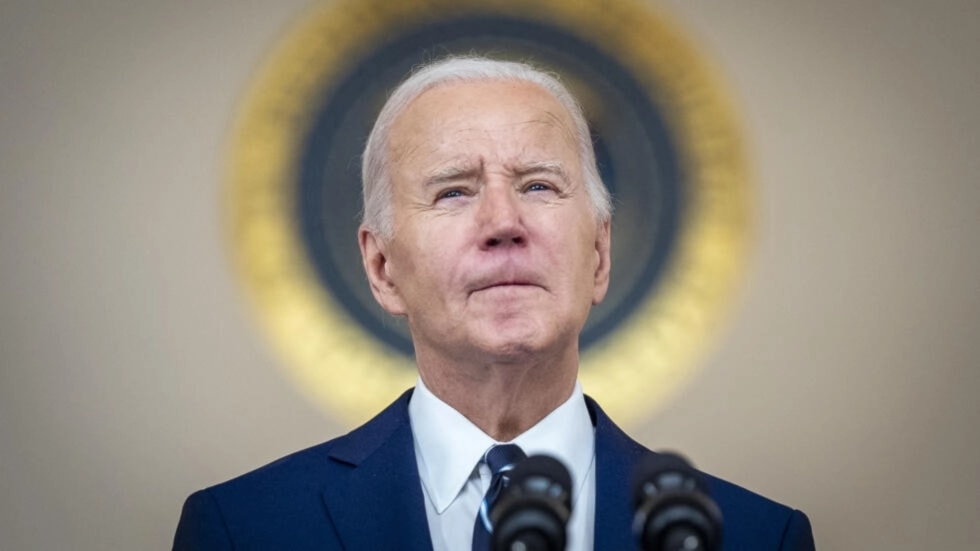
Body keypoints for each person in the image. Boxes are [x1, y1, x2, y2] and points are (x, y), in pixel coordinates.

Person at [174, 56, 815, 550]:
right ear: (382, 267)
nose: (504, 222)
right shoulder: (243, 529)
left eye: (538, 185)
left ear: (598, 254)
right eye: (454, 192)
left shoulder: (758, 537)